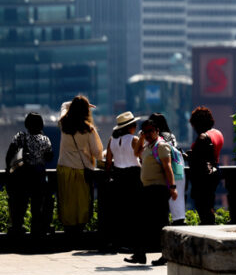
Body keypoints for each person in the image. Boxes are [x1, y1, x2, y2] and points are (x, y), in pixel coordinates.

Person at [124, 119, 178, 266]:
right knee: (141, 221)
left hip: (158, 189)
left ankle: (165, 255)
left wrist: (172, 187)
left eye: (150, 131)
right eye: (145, 131)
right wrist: (141, 138)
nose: (148, 134)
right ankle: (140, 254)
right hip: (147, 189)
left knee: (160, 223)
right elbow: (136, 153)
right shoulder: (149, 146)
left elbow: (168, 168)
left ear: (157, 131)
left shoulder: (161, 146)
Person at [57, 95, 103, 235]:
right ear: (85, 111)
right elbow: (97, 153)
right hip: (81, 170)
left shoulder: (63, 123)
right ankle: (79, 232)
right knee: (81, 202)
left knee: (67, 201)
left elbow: (64, 106)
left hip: (64, 168)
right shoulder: (88, 129)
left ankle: (68, 231)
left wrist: (76, 104)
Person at [5, 112, 53, 237]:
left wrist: (9, 170)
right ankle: (36, 233)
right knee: (37, 207)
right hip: (38, 177)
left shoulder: (20, 137)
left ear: (27, 124)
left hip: (22, 177)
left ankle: (17, 232)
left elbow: (9, 155)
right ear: (41, 124)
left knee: (20, 206)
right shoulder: (45, 139)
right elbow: (49, 157)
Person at [105, 111, 142, 250]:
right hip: (133, 176)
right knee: (133, 211)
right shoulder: (134, 140)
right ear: (131, 126)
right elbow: (142, 157)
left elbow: (108, 161)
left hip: (118, 175)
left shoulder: (111, 140)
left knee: (119, 210)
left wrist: (108, 176)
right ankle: (131, 242)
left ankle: (117, 241)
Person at [187, 107, 223, 226]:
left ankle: (208, 227)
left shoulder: (202, 137)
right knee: (209, 203)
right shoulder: (217, 133)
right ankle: (210, 224)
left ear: (197, 124)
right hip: (215, 171)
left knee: (202, 205)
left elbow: (198, 159)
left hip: (203, 177)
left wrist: (186, 156)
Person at [147, 113, 185, 225]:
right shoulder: (171, 136)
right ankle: (178, 222)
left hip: (159, 171)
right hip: (176, 170)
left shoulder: (154, 138)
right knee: (176, 200)